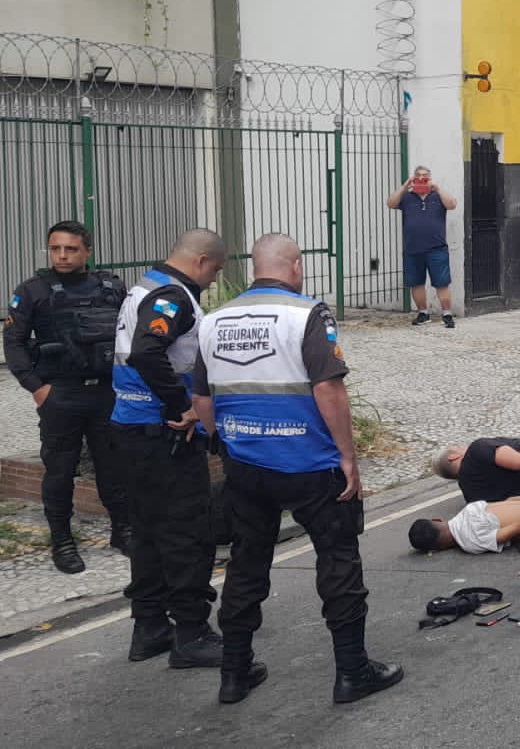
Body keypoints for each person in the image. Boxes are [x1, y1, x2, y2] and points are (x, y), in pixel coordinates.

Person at [191, 234, 402, 705]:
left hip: (246, 466)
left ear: (254, 268)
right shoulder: (307, 314)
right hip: (309, 463)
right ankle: (352, 672)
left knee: (246, 564)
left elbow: (202, 399)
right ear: (297, 266)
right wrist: (348, 457)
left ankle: (234, 673)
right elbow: (329, 389)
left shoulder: (213, 321)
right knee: (338, 558)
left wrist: (226, 443)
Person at [113, 228, 228, 668]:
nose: (213, 281)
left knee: (146, 531)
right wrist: (183, 405)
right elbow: (147, 351)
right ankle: (191, 633)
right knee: (188, 533)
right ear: (200, 261)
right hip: (166, 435)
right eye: (215, 271)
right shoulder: (173, 297)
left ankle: (149, 627)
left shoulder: (144, 286)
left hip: (132, 430)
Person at [3, 220, 129, 573]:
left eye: (70, 249)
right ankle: (62, 541)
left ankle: (123, 530)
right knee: (59, 473)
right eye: (55, 248)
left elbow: (128, 335)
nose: (61, 255)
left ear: (87, 251)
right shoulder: (32, 291)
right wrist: (37, 388)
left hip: (106, 392)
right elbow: (13, 343)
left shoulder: (112, 287)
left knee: (114, 468)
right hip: (61, 395)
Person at [386, 166, 458, 328]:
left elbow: (452, 205)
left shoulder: (438, 196)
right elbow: (390, 203)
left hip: (437, 248)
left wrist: (437, 188)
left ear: (430, 177)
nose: (421, 178)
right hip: (412, 249)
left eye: (425, 176)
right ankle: (423, 313)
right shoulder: (407, 197)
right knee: (416, 283)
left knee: (442, 283)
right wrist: (405, 185)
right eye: (418, 175)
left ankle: (447, 315)